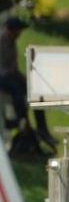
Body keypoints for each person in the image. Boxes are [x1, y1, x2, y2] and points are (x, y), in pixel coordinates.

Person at [0, 16, 55, 151]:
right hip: (2, 77)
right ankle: (20, 120)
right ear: (11, 30)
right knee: (16, 90)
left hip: (8, 75)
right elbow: (5, 69)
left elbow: (12, 67)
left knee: (34, 91)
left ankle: (42, 127)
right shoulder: (2, 41)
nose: (20, 33)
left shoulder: (11, 42)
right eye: (18, 30)